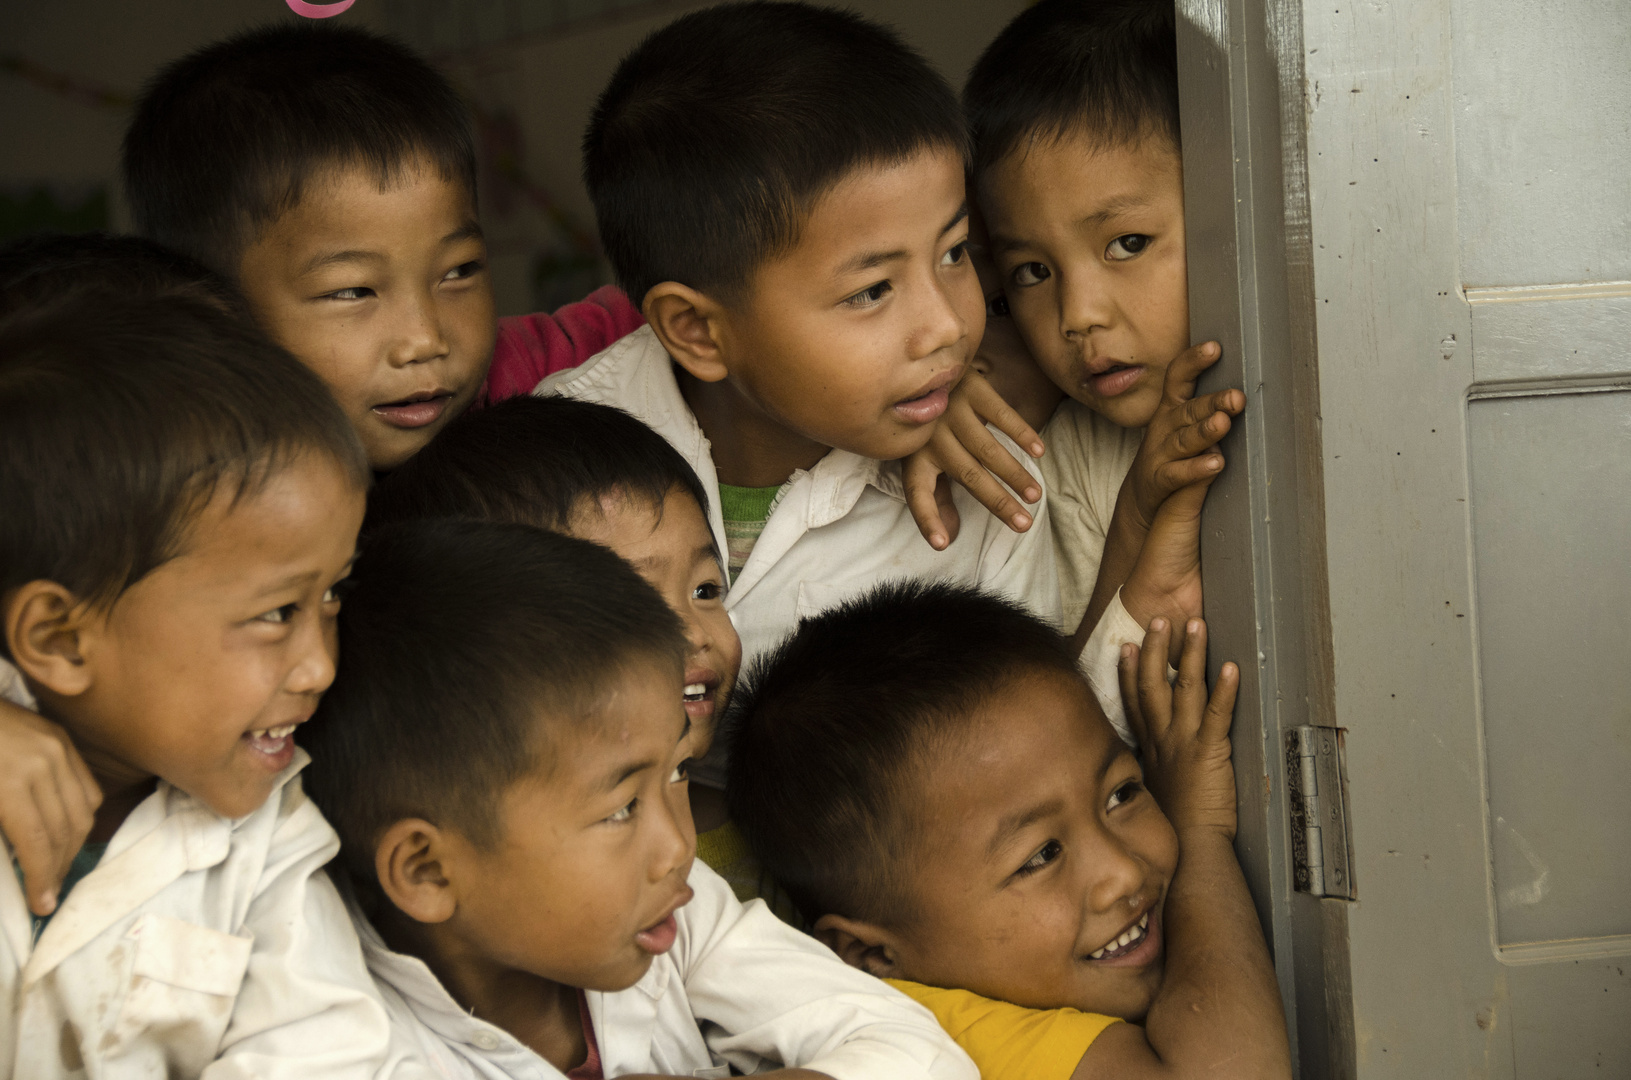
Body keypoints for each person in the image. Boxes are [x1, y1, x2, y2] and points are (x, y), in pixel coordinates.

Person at [298, 518, 978, 1080]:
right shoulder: (350, 1045)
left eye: (678, 774)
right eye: (621, 807)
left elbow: (916, 1054)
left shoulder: (677, 915)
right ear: (427, 871)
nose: (679, 846)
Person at [538, 1, 1061, 671]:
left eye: (954, 252)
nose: (948, 326)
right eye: (871, 291)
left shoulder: (991, 493)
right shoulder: (558, 469)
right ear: (697, 331)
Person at [0, 293, 423, 1077]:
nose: (321, 665)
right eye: (274, 613)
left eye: (332, 594)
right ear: (61, 639)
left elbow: (321, 1051)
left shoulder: (266, 840)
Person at [726, 582, 1291, 1080]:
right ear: (872, 955)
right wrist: (1200, 830)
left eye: (1122, 794)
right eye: (1041, 856)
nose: (1122, 873)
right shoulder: (919, 1034)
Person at [910, 0, 1248, 709]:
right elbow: (1076, 719)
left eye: (1126, 243)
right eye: (1031, 272)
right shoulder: (1048, 472)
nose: (1077, 315)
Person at [121, 22, 642, 471]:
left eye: (458, 271)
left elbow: (659, 307)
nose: (425, 339)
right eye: (353, 292)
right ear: (214, 318)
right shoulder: (185, 484)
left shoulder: (512, 376)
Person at [365, 396, 791, 919]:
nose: (695, 633)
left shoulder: (769, 826)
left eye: (706, 590)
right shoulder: (504, 859)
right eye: (636, 601)